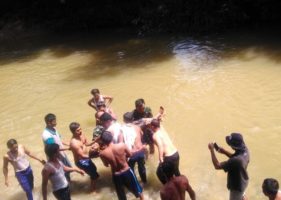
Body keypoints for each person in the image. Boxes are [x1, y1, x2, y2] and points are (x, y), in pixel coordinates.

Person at [98, 131, 144, 200]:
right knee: (138, 190)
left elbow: (106, 165)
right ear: (112, 137)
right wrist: (122, 157)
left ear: (103, 141)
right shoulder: (122, 145)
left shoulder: (102, 154)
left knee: (121, 195)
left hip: (116, 175)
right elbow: (130, 155)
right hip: (127, 171)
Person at [208, 132, 250, 200]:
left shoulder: (236, 161)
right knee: (242, 195)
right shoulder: (245, 150)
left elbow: (217, 166)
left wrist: (212, 150)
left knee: (237, 197)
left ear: (234, 146)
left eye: (230, 144)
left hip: (237, 187)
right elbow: (236, 157)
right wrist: (224, 151)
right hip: (243, 179)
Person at [69, 122, 99, 192]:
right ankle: (92, 190)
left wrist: (95, 141)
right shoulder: (74, 143)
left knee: (94, 169)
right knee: (94, 174)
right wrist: (95, 156)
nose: (80, 131)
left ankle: (94, 179)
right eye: (78, 130)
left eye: (80, 129)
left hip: (87, 158)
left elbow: (87, 144)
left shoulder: (81, 135)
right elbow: (82, 155)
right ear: (72, 132)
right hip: (81, 161)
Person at [42, 113, 72, 181]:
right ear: (49, 123)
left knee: (68, 170)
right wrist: (69, 148)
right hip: (55, 157)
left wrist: (69, 144)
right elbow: (54, 149)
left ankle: (70, 183)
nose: (56, 122)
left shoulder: (54, 129)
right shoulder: (46, 135)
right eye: (54, 121)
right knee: (62, 174)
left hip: (61, 153)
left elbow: (60, 140)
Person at [150, 119, 181, 184]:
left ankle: (169, 188)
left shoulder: (155, 135)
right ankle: (182, 186)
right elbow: (160, 124)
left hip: (169, 157)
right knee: (176, 172)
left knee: (159, 173)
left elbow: (160, 145)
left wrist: (160, 158)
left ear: (152, 127)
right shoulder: (163, 131)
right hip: (176, 154)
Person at [122, 112, 147, 183]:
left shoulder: (122, 129)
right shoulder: (137, 127)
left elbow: (122, 142)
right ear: (133, 119)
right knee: (142, 168)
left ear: (124, 120)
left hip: (131, 153)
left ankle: (135, 184)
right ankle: (145, 182)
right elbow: (142, 135)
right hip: (140, 150)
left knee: (131, 169)